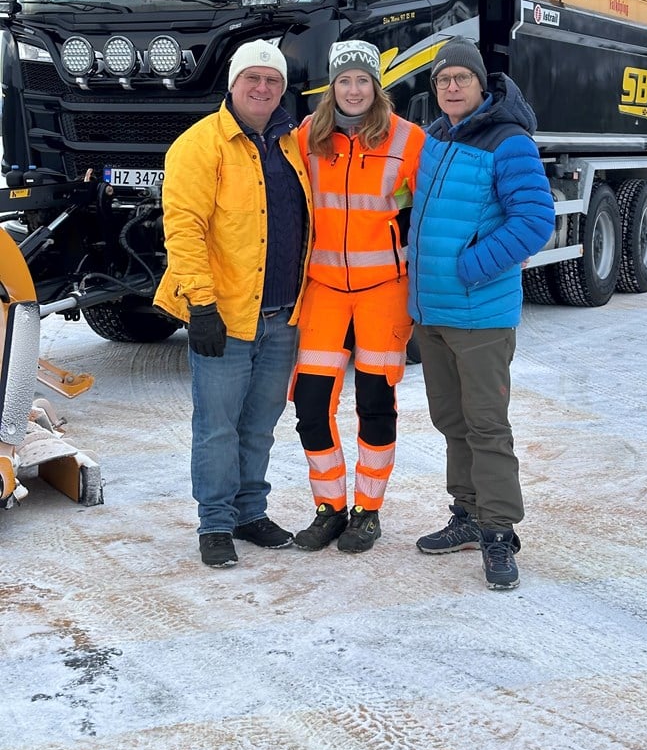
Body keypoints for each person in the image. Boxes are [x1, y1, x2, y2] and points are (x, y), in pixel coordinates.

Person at [154, 39, 312, 568]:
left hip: (283, 314)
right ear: (233, 84)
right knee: (217, 426)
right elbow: (185, 228)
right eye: (253, 79)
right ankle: (216, 523)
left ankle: (250, 512)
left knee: (260, 423)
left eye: (272, 80)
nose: (262, 88)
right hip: (224, 315)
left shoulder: (291, 144)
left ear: (282, 89)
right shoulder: (200, 146)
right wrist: (200, 304)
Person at [408, 37, 555, 590]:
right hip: (434, 311)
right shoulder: (436, 138)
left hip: (481, 313)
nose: (451, 86)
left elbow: (535, 221)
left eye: (461, 78)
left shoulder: (507, 140)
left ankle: (499, 532)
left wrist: (472, 266)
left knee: (488, 426)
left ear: (480, 83)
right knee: (452, 423)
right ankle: (466, 515)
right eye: (443, 79)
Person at [290, 40, 425, 553]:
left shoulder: (408, 140)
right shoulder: (306, 138)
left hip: (383, 291)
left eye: (362, 80)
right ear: (332, 86)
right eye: (344, 80)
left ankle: (368, 511)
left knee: (375, 402)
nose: (353, 89)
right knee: (310, 404)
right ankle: (329, 507)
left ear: (376, 86)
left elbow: (430, 207)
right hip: (323, 289)